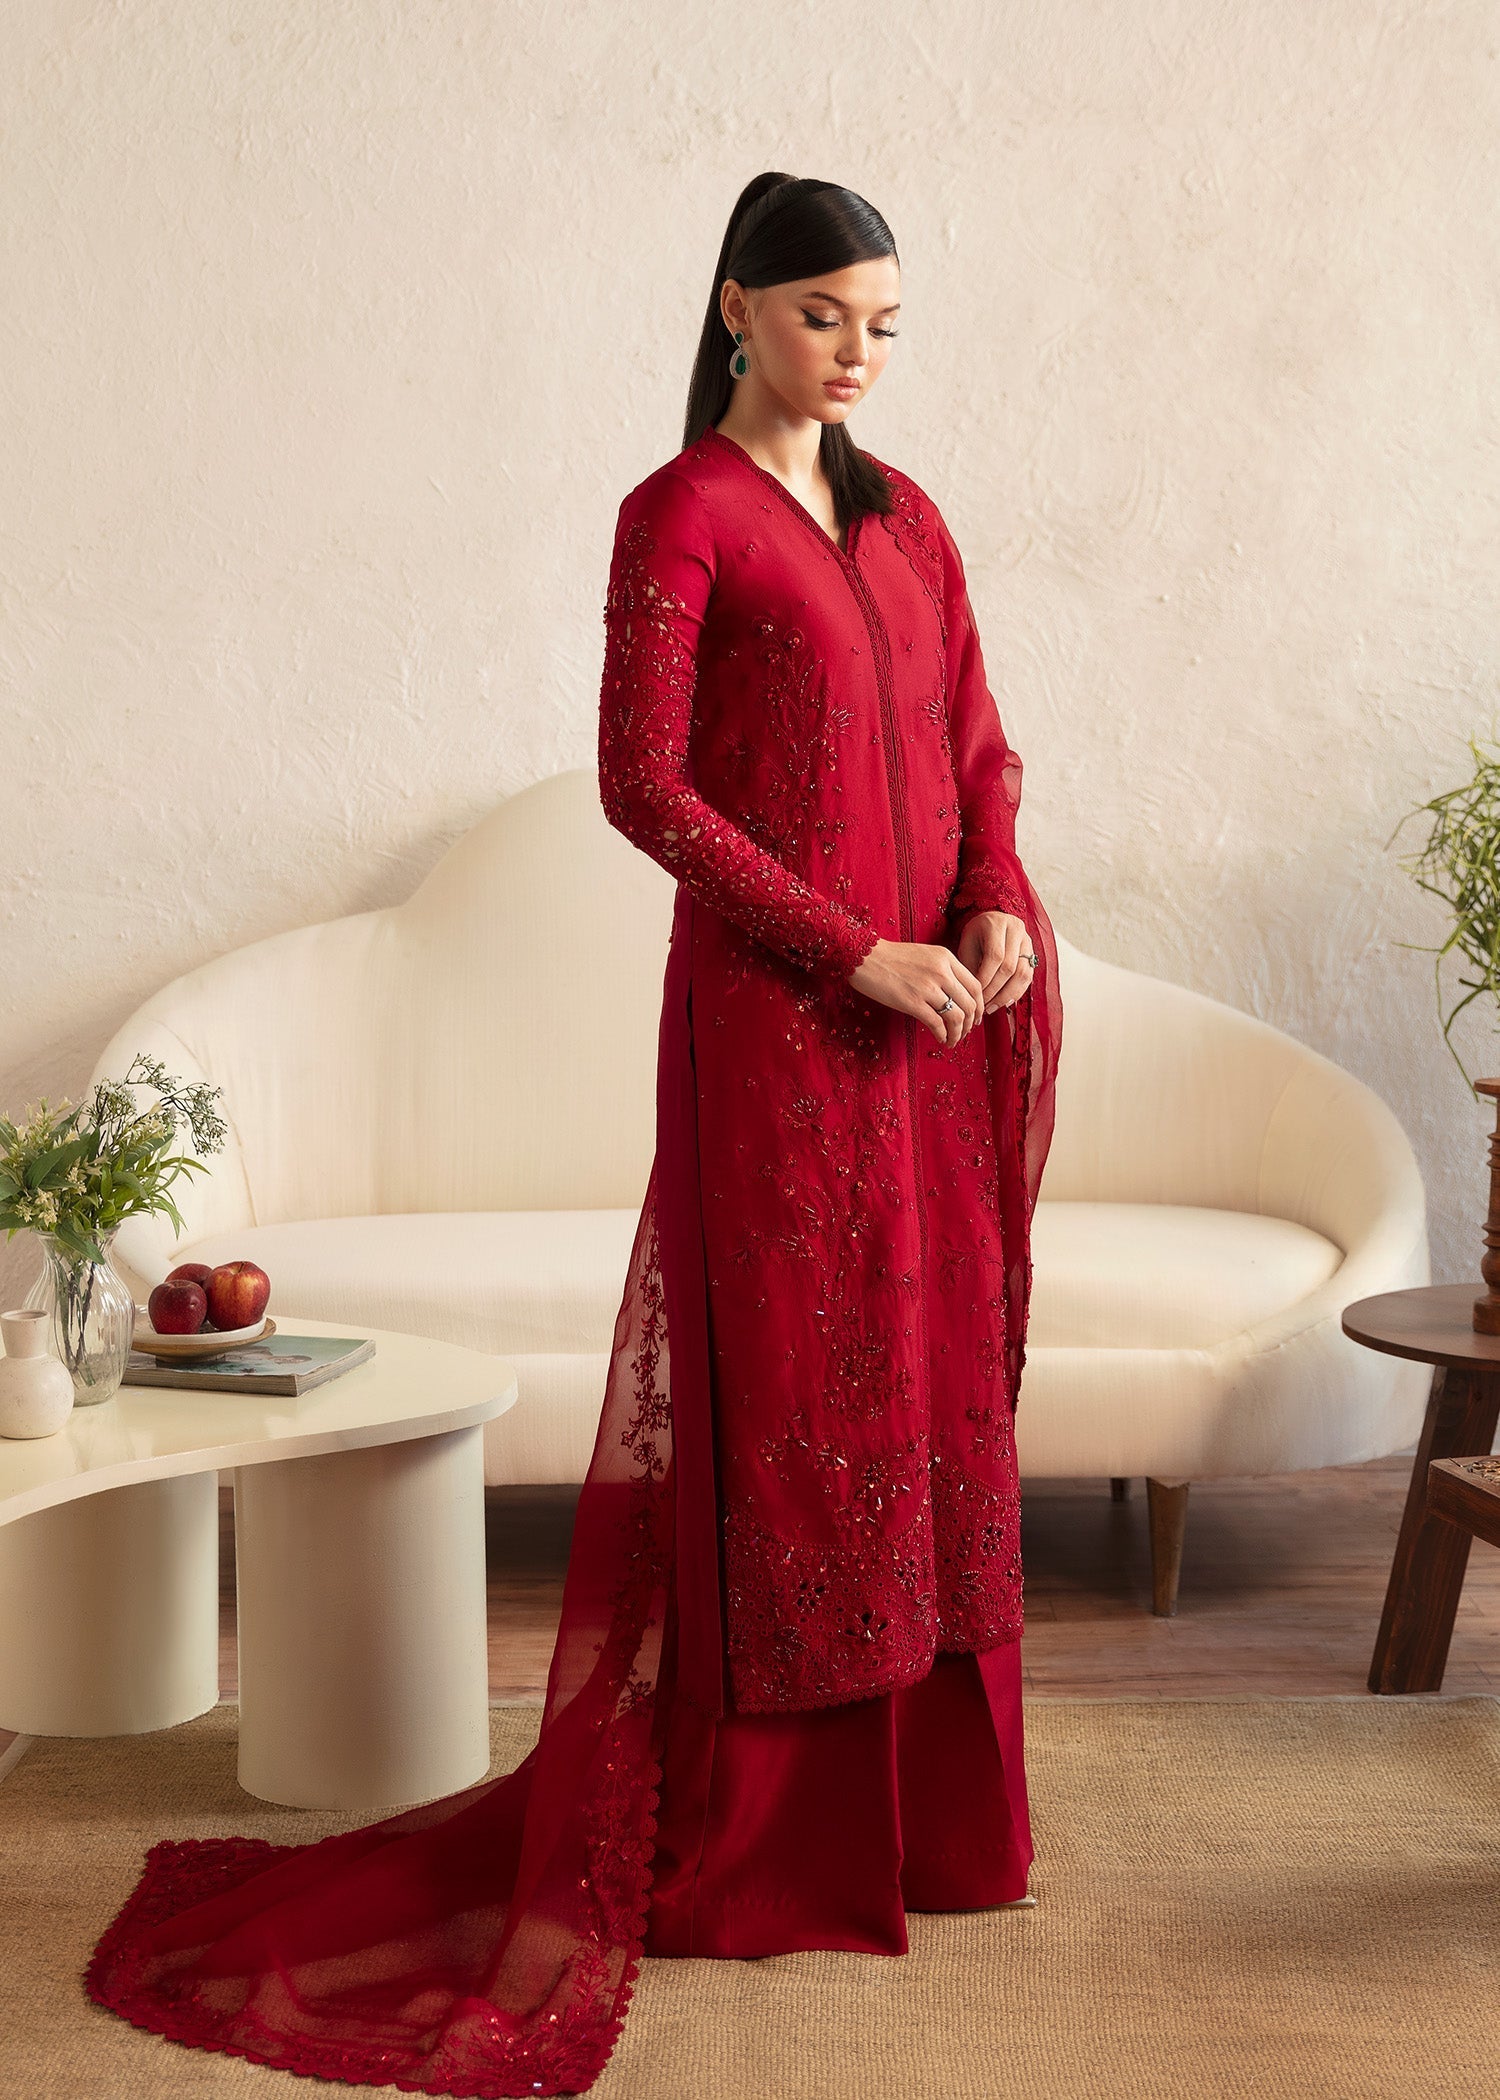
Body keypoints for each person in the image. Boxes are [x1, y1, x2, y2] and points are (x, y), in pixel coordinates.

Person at [82, 171, 1062, 2097]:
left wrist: (991, 902)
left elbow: (976, 747)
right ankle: (772, 1850)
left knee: (926, 1399)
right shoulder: (679, 516)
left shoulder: (910, 521)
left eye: (882, 322)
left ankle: (938, 1833)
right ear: (736, 308)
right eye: (821, 315)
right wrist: (851, 949)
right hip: (786, 1038)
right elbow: (647, 787)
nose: (855, 353)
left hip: (934, 1036)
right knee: (800, 1408)